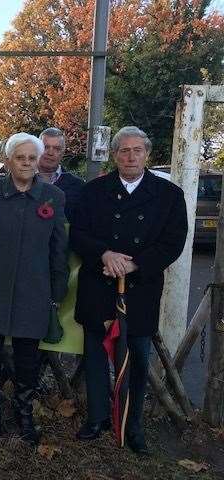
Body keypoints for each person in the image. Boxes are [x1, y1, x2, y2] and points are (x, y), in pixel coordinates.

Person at [71, 126, 188, 455]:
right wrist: (104, 255)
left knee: (138, 359)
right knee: (94, 355)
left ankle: (132, 424)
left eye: (137, 150)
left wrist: (135, 264)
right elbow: (77, 234)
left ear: (147, 153)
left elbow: (172, 243)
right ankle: (97, 419)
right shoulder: (93, 191)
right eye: (124, 150)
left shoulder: (169, 195)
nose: (131, 156)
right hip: (99, 285)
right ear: (114, 155)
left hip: (140, 289)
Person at [0, 132, 69, 444]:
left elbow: (58, 250)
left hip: (34, 290)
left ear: (39, 161)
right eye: (19, 157)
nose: (25, 163)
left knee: (27, 358)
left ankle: (25, 414)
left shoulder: (53, 197)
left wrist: (57, 293)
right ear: (8, 160)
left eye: (31, 158)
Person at [37, 127, 84, 222]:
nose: (50, 152)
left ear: (63, 152)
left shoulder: (78, 186)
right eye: (46, 147)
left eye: (57, 148)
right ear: (37, 149)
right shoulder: (23, 181)